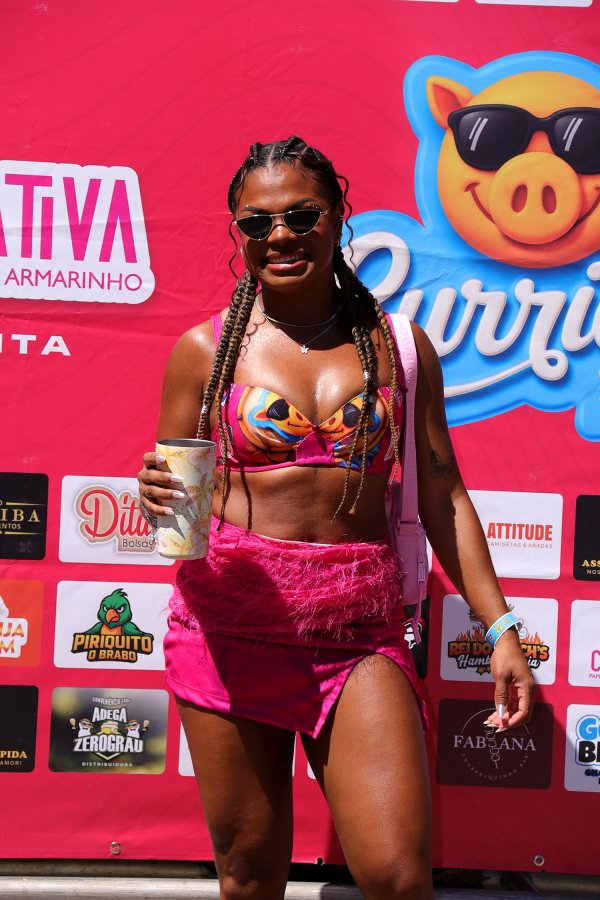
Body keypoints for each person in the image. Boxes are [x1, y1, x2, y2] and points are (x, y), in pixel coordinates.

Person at [138, 136, 534, 900]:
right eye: (257, 223)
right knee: (250, 877)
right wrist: (155, 492)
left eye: (301, 215)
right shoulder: (202, 351)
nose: (279, 236)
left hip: (357, 635)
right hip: (230, 633)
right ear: (237, 232)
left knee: (396, 876)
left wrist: (502, 628)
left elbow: (444, 495)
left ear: (337, 215)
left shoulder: (400, 347)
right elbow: (175, 503)